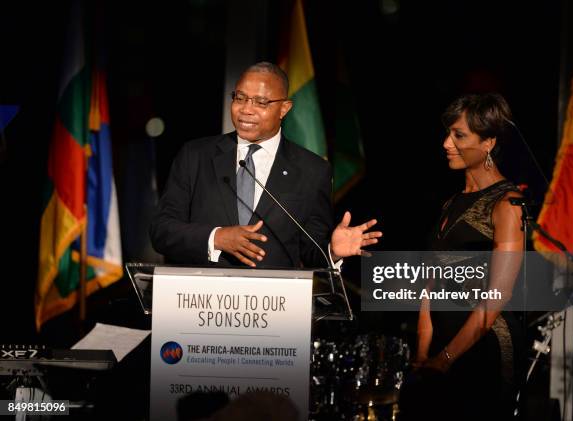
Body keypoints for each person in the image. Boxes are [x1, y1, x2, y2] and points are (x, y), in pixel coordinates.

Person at [150, 62, 381, 268]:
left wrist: (331, 251)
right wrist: (216, 237)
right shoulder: (196, 155)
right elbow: (161, 231)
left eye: (261, 102)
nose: (246, 109)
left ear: (284, 108)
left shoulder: (312, 171)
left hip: (272, 308)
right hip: (199, 304)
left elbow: (311, 251)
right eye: (240, 98)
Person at [407, 93, 525, 420]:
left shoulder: (509, 203)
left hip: (484, 347)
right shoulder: (450, 203)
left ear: (488, 143)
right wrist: (423, 350)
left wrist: (446, 358)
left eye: (459, 135)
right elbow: (431, 283)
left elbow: (498, 295)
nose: (446, 143)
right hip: (442, 346)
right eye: (448, 133)